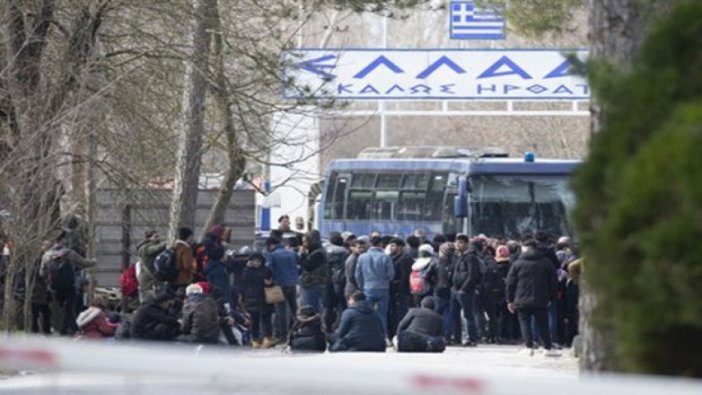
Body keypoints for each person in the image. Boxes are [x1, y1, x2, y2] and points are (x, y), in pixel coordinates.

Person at [506, 238, 558, 355]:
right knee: (543, 322)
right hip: (541, 298)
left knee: (524, 322)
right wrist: (551, 297)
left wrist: (510, 300)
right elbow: (553, 281)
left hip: (521, 298)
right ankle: (547, 347)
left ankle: (529, 346)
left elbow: (510, 283)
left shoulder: (517, 263)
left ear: (524, 248)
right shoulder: (546, 262)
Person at [41, 230, 97, 335]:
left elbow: (42, 272)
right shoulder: (69, 253)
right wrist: (94, 261)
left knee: (57, 309)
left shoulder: (47, 255)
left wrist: (49, 281)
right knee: (69, 308)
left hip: (53, 287)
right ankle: (66, 330)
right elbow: (84, 263)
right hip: (69, 286)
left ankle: (59, 328)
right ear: (63, 239)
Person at [355, 236, 395, 338]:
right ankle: (383, 335)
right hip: (383, 288)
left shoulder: (362, 257)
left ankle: (366, 334)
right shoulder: (386, 257)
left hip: (367, 287)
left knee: (366, 312)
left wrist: (361, 286)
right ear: (381, 244)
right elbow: (391, 275)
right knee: (382, 314)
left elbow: (357, 275)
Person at [265, 236, 299, 343]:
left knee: (281, 311)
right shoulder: (292, 253)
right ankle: (298, 330)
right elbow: (299, 265)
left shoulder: (272, 255)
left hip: (279, 284)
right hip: (292, 283)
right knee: (294, 309)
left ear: (271, 245)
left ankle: (283, 336)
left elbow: (268, 269)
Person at [451, 234, 482, 347]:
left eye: (460, 243)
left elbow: (472, 275)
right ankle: (457, 338)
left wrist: (464, 288)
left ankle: (472, 338)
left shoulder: (470, 257)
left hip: (465, 291)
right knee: (454, 315)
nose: (457, 245)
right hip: (455, 290)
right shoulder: (458, 256)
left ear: (466, 244)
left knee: (468, 315)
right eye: (456, 243)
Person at [242, 253, 275, 349]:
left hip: (266, 297)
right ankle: (255, 339)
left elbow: (272, 281)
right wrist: (248, 268)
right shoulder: (248, 271)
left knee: (266, 320)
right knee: (254, 320)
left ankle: (268, 338)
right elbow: (244, 280)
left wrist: (270, 283)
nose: (256, 263)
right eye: (254, 261)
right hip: (253, 298)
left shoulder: (267, 270)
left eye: (258, 261)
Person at [388, 238, 413, 342]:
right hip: (392, 291)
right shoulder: (391, 257)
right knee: (392, 314)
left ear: (400, 247)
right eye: (390, 245)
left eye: (393, 246)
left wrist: (399, 290)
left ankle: (399, 335)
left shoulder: (405, 259)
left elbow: (405, 277)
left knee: (400, 315)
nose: (391, 248)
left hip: (401, 292)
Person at [298, 231, 328, 314]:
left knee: (310, 309)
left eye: (305, 242)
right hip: (312, 283)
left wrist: (302, 255)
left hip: (311, 284)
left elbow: (307, 266)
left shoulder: (318, 253)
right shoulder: (314, 251)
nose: (303, 244)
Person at [325, 232, 349, 331]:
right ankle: (344, 327)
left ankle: (328, 327)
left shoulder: (326, 252)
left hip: (328, 281)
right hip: (340, 281)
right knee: (343, 306)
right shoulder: (345, 253)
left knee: (329, 307)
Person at [136, 230, 167, 302]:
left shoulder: (149, 246)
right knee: (148, 298)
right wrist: (167, 243)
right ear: (149, 238)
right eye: (156, 237)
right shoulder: (144, 248)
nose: (158, 238)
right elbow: (154, 249)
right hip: (148, 278)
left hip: (153, 276)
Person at [434, 242, 455, 342]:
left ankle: (437, 333)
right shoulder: (455, 261)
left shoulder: (438, 262)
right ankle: (447, 335)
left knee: (436, 312)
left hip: (439, 289)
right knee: (448, 313)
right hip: (451, 288)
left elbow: (430, 276)